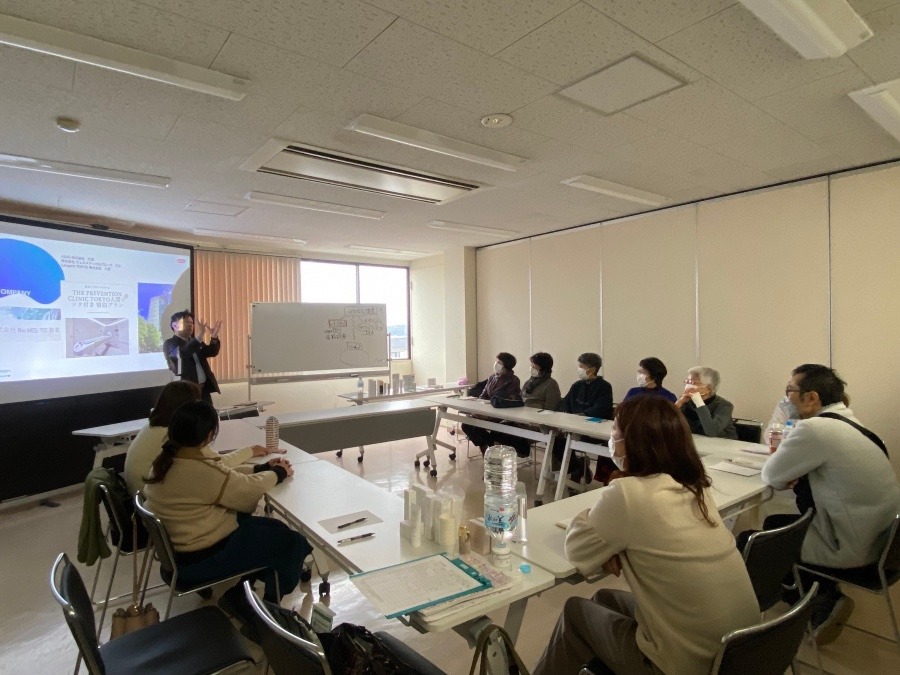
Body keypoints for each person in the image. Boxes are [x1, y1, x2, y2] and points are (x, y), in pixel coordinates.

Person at [533, 396, 759, 675]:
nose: (611, 438)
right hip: (742, 651)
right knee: (605, 598)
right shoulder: (695, 487)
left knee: (576, 612)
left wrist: (607, 535)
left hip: (685, 665)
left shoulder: (630, 495)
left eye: (615, 432)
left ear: (634, 442)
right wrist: (617, 541)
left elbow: (578, 551)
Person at [751, 364, 900, 645]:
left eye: (790, 391)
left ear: (812, 398)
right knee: (775, 524)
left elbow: (772, 475)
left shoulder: (815, 429)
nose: (786, 399)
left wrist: (792, 472)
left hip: (852, 548)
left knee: (755, 543)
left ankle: (812, 604)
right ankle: (820, 596)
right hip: (884, 544)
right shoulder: (854, 425)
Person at [142, 401, 312, 621]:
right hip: (203, 559)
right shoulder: (200, 470)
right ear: (210, 434)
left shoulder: (165, 461)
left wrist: (260, 468)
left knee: (273, 529)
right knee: (290, 543)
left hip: (181, 554)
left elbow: (223, 477)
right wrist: (278, 473)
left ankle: (245, 591)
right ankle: (268, 607)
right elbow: (244, 491)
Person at [124, 381, 282, 494]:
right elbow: (218, 465)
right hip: (164, 503)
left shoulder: (152, 427)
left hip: (147, 502)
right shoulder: (176, 436)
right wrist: (251, 451)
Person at [553, 353, 614, 483]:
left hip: (592, 430)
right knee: (556, 441)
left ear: (592, 369)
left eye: (581, 366)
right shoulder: (577, 385)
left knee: (566, 440)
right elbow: (566, 402)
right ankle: (577, 467)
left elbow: (601, 408)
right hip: (573, 428)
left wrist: (581, 416)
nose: (579, 369)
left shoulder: (604, 387)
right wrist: (563, 413)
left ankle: (578, 468)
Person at [492, 352, 561, 457]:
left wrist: (533, 410)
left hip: (537, 424)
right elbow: (520, 399)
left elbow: (551, 410)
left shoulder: (551, 384)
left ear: (543, 367)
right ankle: (515, 453)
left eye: (534, 365)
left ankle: (522, 450)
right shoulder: (530, 382)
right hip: (521, 418)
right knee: (498, 430)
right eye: (531, 364)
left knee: (507, 432)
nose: (531, 367)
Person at [460, 352, 521, 454]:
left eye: (499, 362)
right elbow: (483, 395)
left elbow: (507, 400)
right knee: (466, 424)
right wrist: (477, 403)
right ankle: (488, 444)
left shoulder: (513, 380)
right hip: (487, 410)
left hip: (501, 414)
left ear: (506, 365)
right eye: (496, 361)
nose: (496, 364)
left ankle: (489, 446)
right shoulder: (492, 377)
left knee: (477, 424)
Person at [163, 309, 222, 404]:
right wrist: (200, 336)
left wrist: (214, 337)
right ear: (175, 325)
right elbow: (184, 352)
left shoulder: (194, 341)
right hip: (185, 390)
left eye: (192, 322)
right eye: (186, 322)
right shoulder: (170, 343)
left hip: (203, 389)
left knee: (207, 415)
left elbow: (211, 352)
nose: (191, 325)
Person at [674, 366, 737, 439]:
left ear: (709, 388)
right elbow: (663, 423)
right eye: (687, 382)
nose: (689, 386)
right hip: (695, 441)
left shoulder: (724, 405)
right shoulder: (685, 401)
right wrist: (678, 403)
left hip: (722, 444)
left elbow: (711, 431)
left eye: (693, 383)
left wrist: (698, 401)